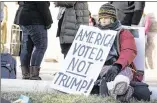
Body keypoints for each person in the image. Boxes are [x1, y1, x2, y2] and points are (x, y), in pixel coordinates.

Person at [91, 3, 137, 102]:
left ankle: (121, 85)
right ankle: (119, 91)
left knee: (124, 72)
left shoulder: (123, 32)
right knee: (102, 73)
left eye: (106, 17)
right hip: (98, 66)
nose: (103, 20)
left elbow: (129, 50)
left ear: (113, 18)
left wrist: (118, 65)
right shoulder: (93, 32)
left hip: (117, 65)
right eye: (101, 17)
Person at [14, 1, 53, 80]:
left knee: (27, 46)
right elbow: (43, 5)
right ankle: (34, 74)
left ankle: (26, 73)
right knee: (41, 46)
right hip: (35, 20)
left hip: (24, 18)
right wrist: (49, 22)